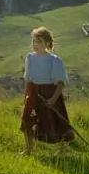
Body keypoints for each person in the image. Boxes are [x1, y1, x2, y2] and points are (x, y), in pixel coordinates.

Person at [20, 26, 74, 155]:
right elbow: (28, 80)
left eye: (39, 42)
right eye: (34, 41)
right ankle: (29, 149)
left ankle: (62, 151)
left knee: (56, 121)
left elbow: (60, 83)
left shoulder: (54, 60)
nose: (35, 44)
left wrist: (53, 99)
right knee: (28, 119)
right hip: (34, 92)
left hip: (50, 92)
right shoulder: (30, 58)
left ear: (47, 43)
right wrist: (26, 96)